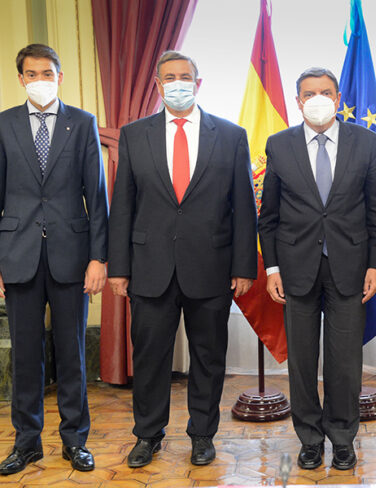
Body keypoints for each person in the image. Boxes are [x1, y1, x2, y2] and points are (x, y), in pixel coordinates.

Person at [107, 51, 257, 468]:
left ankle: (202, 435)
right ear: (157, 85)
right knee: (149, 357)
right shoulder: (134, 135)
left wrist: (244, 266)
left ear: (198, 82)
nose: (177, 83)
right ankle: (148, 435)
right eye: (169, 77)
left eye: (184, 76)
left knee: (208, 357)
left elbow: (243, 206)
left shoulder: (230, 135)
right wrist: (119, 267)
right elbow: (123, 205)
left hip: (211, 266)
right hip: (149, 267)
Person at [258, 67, 376, 470]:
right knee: (301, 362)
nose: (318, 99)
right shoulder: (279, 144)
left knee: (344, 362)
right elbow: (269, 215)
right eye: (309, 93)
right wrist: (272, 268)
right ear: (298, 101)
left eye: (326, 92)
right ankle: (310, 439)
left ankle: (343, 438)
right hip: (295, 269)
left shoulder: (364, 142)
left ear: (337, 98)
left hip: (350, 268)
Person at [0, 44, 108, 475]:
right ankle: (26, 443)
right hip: (18, 255)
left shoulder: (81, 123)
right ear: (21, 79)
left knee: (72, 354)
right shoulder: (4, 123)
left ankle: (75, 441)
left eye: (47, 72)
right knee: (26, 356)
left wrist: (98, 258)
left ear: (59, 77)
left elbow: (96, 197)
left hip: (72, 257)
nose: (40, 79)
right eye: (32, 73)